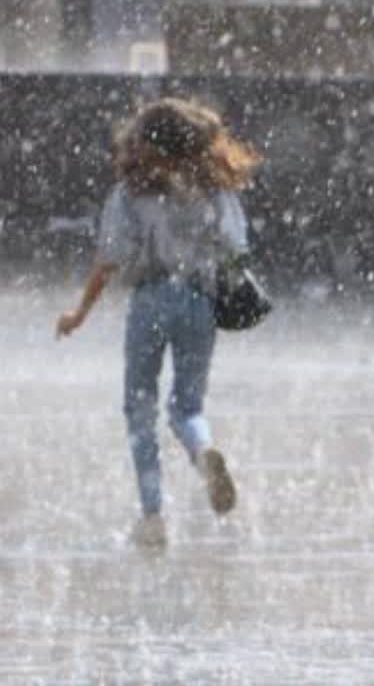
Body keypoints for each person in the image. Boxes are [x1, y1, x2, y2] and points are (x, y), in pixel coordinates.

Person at [55, 97, 259, 550]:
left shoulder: (132, 193)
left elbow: (110, 259)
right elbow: (235, 248)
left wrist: (79, 313)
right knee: (187, 407)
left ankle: (152, 516)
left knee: (139, 411)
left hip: (150, 301)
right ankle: (203, 452)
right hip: (200, 303)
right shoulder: (217, 191)